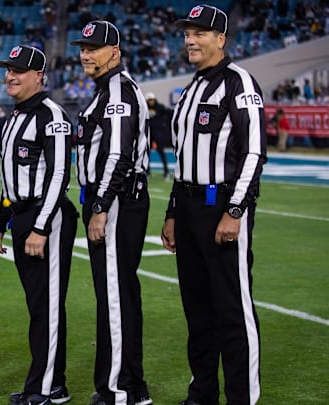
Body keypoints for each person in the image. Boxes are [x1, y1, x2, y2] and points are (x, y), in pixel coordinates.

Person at [161, 5, 265, 405]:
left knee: (232, 310)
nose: (190, 39)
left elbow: (254, 152)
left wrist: (235, 210)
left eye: (200, 33)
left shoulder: (239, 82)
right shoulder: (190, 88)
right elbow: (184, 155)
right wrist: (172, 212)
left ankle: (242, 398)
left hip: (221, 204)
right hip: (188, 209)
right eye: (187, 32)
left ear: (221, 39)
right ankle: (202, 393)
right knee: (198, 310)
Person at [0, 45, 78, 405]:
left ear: (40, 76)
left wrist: (41, 227)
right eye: (8, 70)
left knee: (48, 307)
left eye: (19, 70)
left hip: (49, 217)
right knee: (39, 306)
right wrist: (0, 221)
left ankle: (46, 389)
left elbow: (60, 174)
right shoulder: (13, 117)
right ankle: (52, 383)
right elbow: (11, 179)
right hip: (24, 215)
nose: (10, 76)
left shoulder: (51, 114)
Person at [70, 21, 153, 405]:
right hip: (112, 198)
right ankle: (132, 386)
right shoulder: (105, 90)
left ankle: (118, 389)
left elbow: (118, 155)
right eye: (83, 47)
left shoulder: (118, 90)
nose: (86, 53)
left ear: (115, 52)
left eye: (95, 47)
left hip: (116, 200)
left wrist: (100, 207)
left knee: (115, 298)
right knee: (118, 294)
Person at [145, 92, 171, 180]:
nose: (151, 102)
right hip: (149, 133)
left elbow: (169, 114)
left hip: (158, 133)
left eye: (152, 100)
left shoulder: (160, 107)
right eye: (149, 100)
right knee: (146, 154)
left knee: (161, 152)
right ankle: (147, 172)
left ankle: (166, 172)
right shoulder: (144, 108)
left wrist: (164, 125)